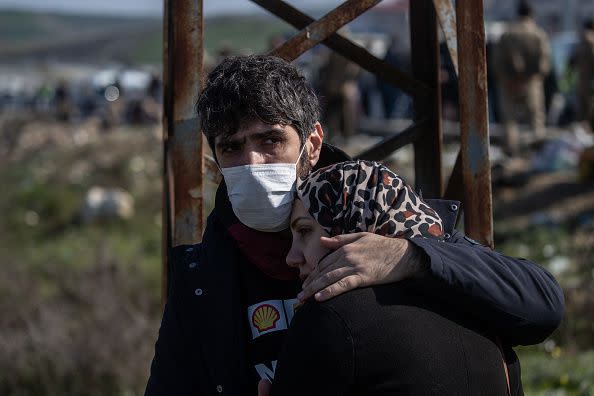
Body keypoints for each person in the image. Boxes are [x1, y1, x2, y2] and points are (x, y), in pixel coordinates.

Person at [144, 55, 563, 396]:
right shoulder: (203, 274)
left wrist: (413, 257)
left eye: (270, 140)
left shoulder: (380, 220)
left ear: (310, 145)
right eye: (231, 147)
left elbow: (541, 304)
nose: (253, 164)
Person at [270, 160, 520, 395]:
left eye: (304, 231)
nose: (291, 257)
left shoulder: (328, 319)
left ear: (351, 220)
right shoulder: (481, 304)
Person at [493, 2, 551, 154]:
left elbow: (497, 61)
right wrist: (528, 80)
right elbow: (544, 64)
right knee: (536, 118)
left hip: (508, 84)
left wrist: (510, 80)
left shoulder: (506, 34)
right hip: (531, 84)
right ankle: (538, 151)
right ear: (532, 15)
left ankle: (512, 152)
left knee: (509, 120)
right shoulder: (538, 34)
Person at [575, 18, 594, 132]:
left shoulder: (580, 42)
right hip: (591, 83)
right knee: (590, 111)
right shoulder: (592, 42)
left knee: (582, 112)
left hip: (581, 82)